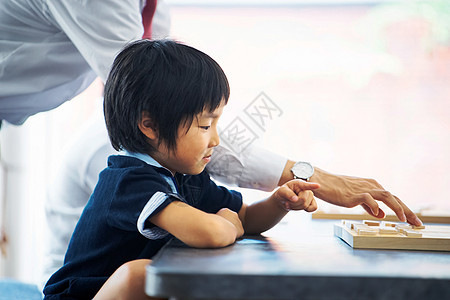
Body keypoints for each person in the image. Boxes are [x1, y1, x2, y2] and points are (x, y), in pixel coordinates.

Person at [43, 39, 322, 299]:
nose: (216, 139)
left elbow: (245, 217)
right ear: (149, 125)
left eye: (215, 124)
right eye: (204, 125)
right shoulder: (128, 180)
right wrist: (228, 223)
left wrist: (279, 202)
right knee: (140, 275)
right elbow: (213, 233)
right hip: (81, 295)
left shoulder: (188, 176)